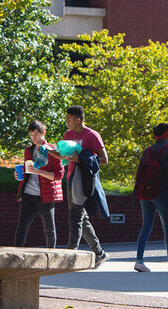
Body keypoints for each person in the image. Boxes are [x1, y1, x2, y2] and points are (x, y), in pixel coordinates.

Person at [51, 105, 109, 268]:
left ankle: (71, 255)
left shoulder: (92, 135)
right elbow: (63, 155)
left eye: (69, 119)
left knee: (75, 218)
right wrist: (48, 150)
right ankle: (99, 253)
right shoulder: (68, 134)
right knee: (81, 219)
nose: (67, 122)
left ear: (78, 120)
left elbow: (104, 160)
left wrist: (81, 159)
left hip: (84, 181)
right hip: (71, 178)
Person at [134, 123, 168, 272]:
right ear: (167, 135)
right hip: (161, 192)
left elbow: (139, 172)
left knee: (146, 227)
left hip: (145, 192)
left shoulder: (147, 150)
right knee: (167, 227)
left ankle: (139, 260)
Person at [14, 120, 64, 248]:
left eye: (36, 134)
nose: (33, 138)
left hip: (45, 196)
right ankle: (15, 254)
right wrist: (19, 175)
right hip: (28, 194)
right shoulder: (28, 151)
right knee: (21, 227)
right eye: (31, 135)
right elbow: (28, 171)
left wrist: (39, 171)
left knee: (49, 229)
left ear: (43, 133)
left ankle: (51, 255)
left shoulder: (53, 151)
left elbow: (58, 175)